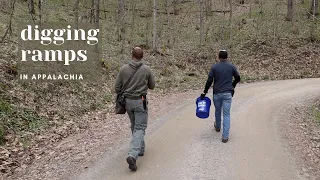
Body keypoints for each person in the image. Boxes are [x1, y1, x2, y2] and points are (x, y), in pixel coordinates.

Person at [115, 47, 155, 171]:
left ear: (132, 55)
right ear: (142, 57)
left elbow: (117, 87)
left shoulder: (123, 69)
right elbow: (152, 86)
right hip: (140, 100)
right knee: (140, 127)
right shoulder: (146, 69)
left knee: (135, 125)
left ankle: (140, 149)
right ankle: (133, 154)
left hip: (127, 102)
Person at [201, 50, 240, 143]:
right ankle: (225, 137)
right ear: (227, 57)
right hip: (227, 93)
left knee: (218, 110)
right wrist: (232, 86)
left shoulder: (214, 67)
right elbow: (238, 78)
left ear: (218, 57)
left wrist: (204, 92)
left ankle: (218, 127)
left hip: (217, 93)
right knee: (226, 114)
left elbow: (209, 81)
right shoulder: (231, 66)